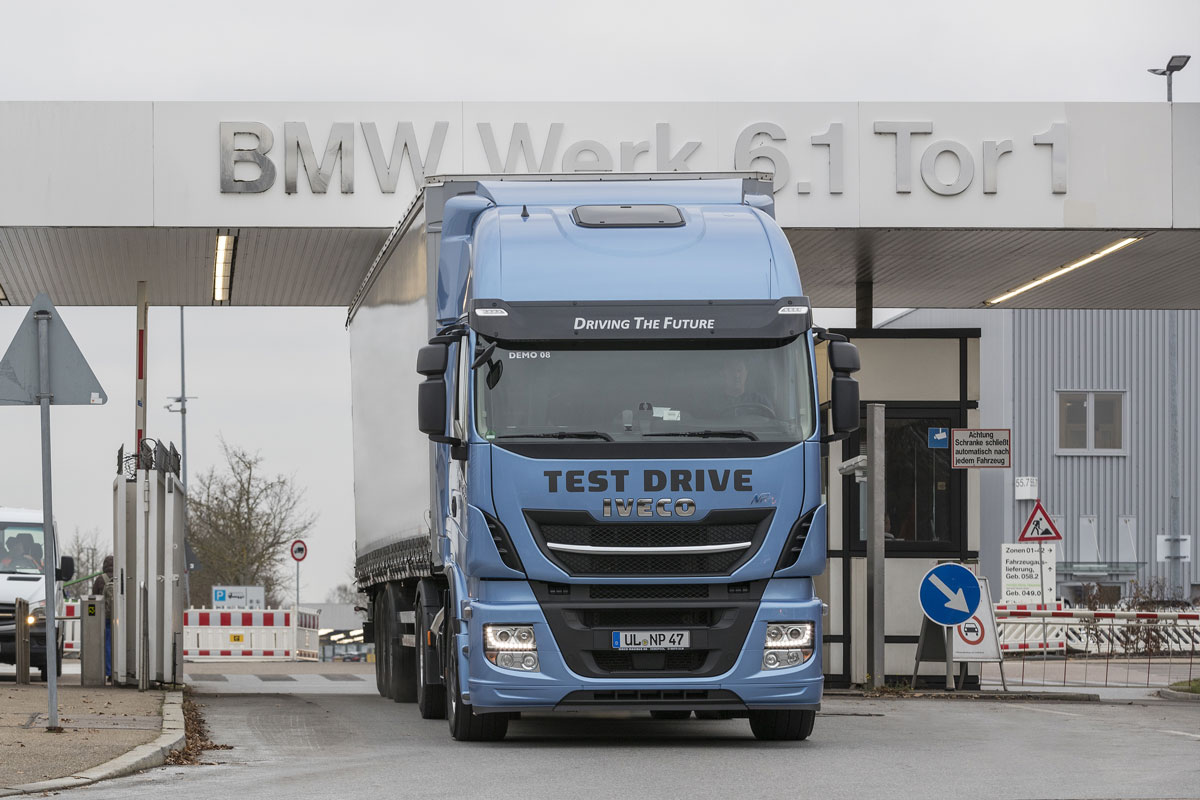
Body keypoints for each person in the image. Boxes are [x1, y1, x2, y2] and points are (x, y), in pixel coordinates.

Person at [92, 555, 114, 680]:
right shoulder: (120, 577)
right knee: (116, 642)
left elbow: (93, 600)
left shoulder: (100, 580)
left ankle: (108, 670)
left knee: (106, 643)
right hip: (118, 618)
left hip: (104, 617)